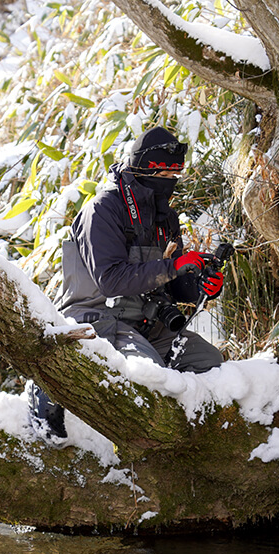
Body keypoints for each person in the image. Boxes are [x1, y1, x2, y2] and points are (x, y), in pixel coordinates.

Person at [32, 127, 225, 438]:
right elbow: (110, 280)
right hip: (97, 317)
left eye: (177, 173)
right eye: (165, 172)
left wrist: (200, 284)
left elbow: (172, 284)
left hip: (146, 321)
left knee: (213, 364)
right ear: (145, 169)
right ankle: (48, 386)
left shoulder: (166, 219)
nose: (171, 180)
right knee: (151, 378)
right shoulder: (103, 209)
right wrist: (173, 265)